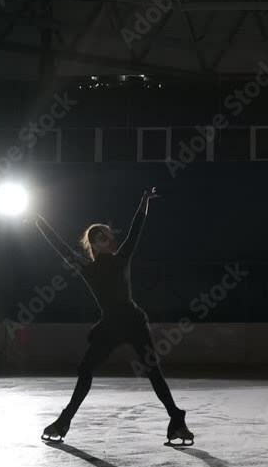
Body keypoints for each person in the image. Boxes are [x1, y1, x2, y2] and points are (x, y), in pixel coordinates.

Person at [36, 187, 193, 446]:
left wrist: (143, 202)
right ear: (97, 242)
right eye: (107, 237)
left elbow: (136, 230)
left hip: (132, 321)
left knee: (153, 371)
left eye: (111, 236)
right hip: (111, 325)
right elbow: (60, 247)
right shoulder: (89, 268)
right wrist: (40, 221)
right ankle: (64, 420)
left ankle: (176, 418)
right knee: (86, 370)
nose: (112, 239)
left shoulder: (121, 259)